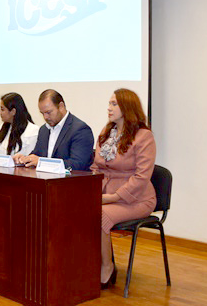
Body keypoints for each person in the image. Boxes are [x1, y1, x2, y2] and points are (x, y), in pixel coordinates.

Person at [90, 88, 156, 289]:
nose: (109, 108)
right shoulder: (106, 133)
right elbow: (96, 167)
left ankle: (107, 267)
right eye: (109, 104)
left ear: (127, 107)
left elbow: (142, 177)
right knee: (79, 209)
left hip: (137, 199)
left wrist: (113, 197)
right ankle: (88, 264)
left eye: (114, 104)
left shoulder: (144, 136)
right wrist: (91, 190)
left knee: (100, 215)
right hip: (106, 195)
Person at [13, 89, 94, 171]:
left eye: (48, 112)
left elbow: (77, 165)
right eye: (42, 113)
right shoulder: (44, 130)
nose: (45, 117)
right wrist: (24, 159)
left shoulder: (80, 130)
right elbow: (37, 155)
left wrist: (42, 163)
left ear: (61, 106)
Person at [0, 92, 39, 156]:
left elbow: (30, 157)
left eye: (2, 109)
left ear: (13, 111)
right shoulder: (2, 127)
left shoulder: (32, 131)